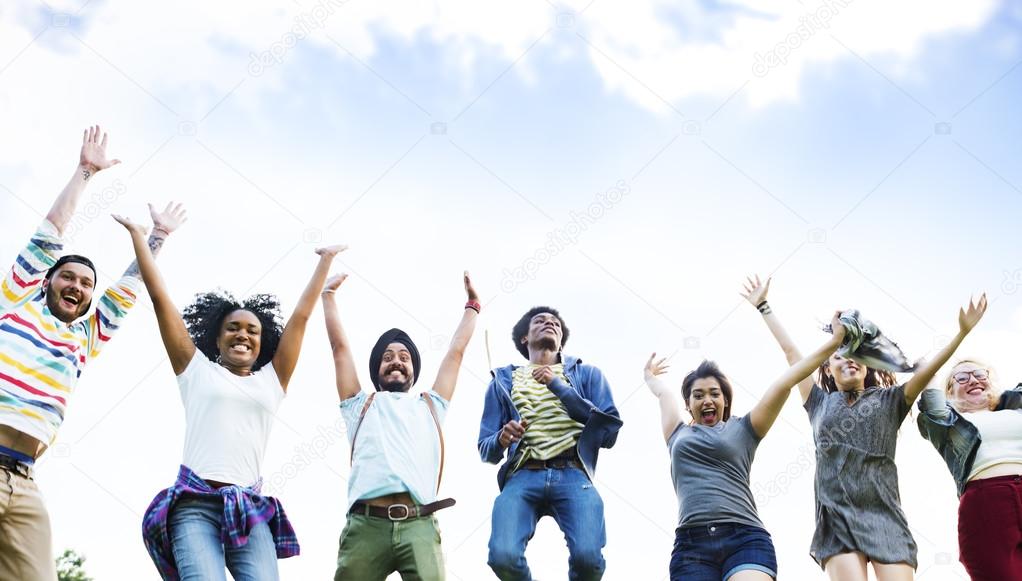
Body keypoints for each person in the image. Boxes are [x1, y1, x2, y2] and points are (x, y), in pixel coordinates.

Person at [118, 207, 346, 580]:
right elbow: (161, 300)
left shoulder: (272, 380)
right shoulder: (195, 370)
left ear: (263, 341)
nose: (243, 334)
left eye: (252, 331)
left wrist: (324, 262)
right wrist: (141, 238)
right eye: (233, 328)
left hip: (248, 505)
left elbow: (301, 319)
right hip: (194, 505)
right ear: (217, 337)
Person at [0, 127, 180, 581]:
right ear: (46, 281)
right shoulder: (15, 303)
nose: (77, 286)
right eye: (68, 277)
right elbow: (51, 232)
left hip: (23, 480)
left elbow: (127, 289)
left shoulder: (85, 337)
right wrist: (85, 172)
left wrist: (156, 235)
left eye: (85, 284)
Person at [742, 275, 986, 581]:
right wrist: (764, 306)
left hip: (886, 517)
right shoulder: (818, 401)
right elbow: (792, 354)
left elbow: (929, 370)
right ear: (827, 367)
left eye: (855, 354)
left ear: (868, 363)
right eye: (838, 355)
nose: (847, 360)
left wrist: (961, 333)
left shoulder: (892, 399)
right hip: (836, 518)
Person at [645, 310, 846, 581]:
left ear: (725, 400)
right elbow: (664, 393)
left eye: (714, 394)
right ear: (689, 404)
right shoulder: (676, 433)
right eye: (698, 395)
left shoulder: (745, 428)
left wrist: (834, 344)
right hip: (691, 547)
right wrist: (650, 377)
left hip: (745, 539)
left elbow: (786, 381)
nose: (707, 400)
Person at [325, 271, 480, 581]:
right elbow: (340, 348)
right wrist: (327, 297)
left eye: (404, 357)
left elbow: (455, 353)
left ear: (413, 370)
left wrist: (472, 306)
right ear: (377, 370)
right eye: (387, 357)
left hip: (419, 524)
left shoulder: (430, 406)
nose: (396, 361)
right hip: (366, 526)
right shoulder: (359, 405)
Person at [479, 306, 622, 581]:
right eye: (540, 320)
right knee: (502, 556)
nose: (550, 323)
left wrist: (559, 387)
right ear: (524, 338)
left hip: (573, 473)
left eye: (556, 322)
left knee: (588, 559)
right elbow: (486, 450)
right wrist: (500, 438)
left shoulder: (587, 374)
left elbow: (609, 432)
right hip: (522, 476)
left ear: (561, 340)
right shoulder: (502, 382)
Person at [917, 359, 1022, 579]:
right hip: (987, 504)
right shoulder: (950, 423)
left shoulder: (1017, 410)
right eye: (962, 378)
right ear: (950, 390)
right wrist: (929, 369)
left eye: (979, 374)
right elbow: (932, 404)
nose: (973, 380)